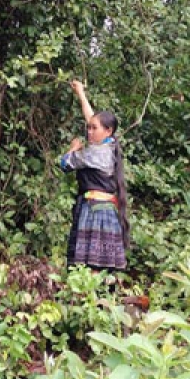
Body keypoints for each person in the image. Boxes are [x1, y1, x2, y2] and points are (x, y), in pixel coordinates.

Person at [60, 80, 129, 271]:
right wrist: (81, 93)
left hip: (93, 210)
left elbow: (65, 164)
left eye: (93, 129)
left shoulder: (94, 153)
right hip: (105, 208)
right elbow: (92, 118)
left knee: (91, 265)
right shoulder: (110, 144)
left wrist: (72, 149)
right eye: (88, 128)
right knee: (100, 265)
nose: (89, 131)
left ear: (108, 130)